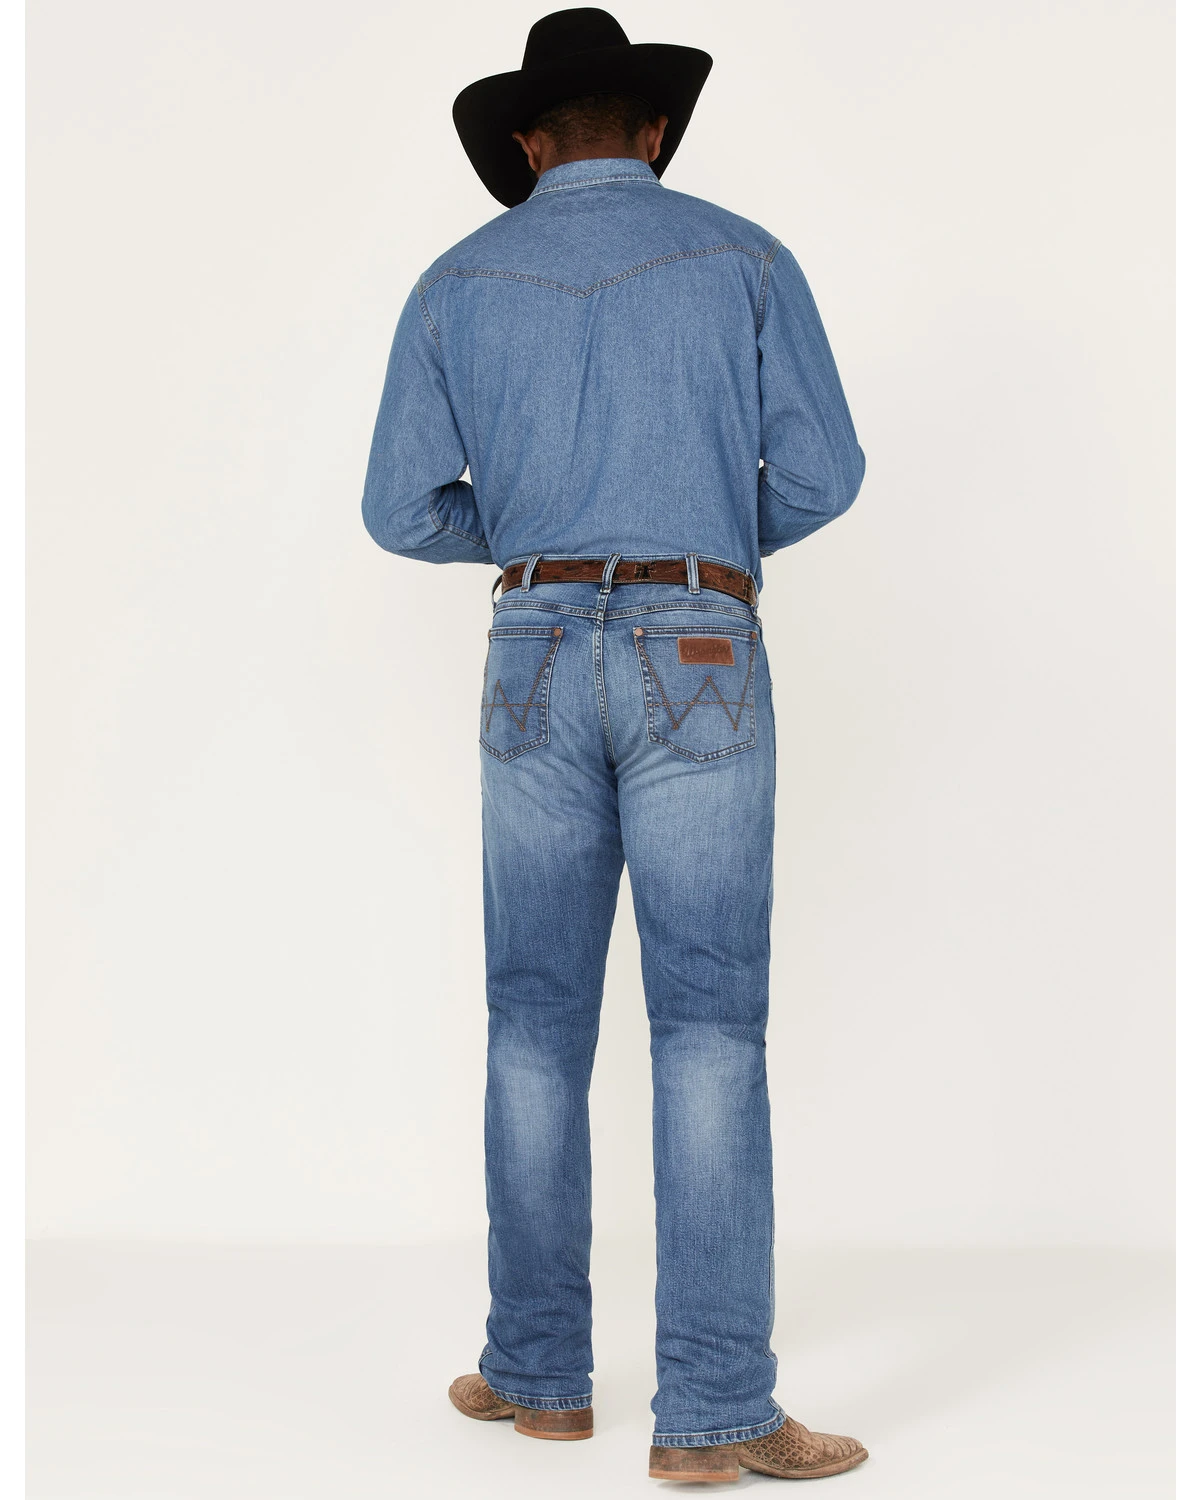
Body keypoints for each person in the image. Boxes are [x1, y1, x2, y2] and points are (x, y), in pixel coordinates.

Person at [361, 7, 867, 1484]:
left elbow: (399, 510)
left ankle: (538, 1375)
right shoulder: (745, 258)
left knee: (532, 1020)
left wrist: (540, 535)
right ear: (652, 132)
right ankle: (713, 1414)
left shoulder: (458, 280)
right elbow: (827, 474)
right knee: (707, 1026)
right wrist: (694, 529)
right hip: (699, 643)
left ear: (528, 146)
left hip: (528, 650)